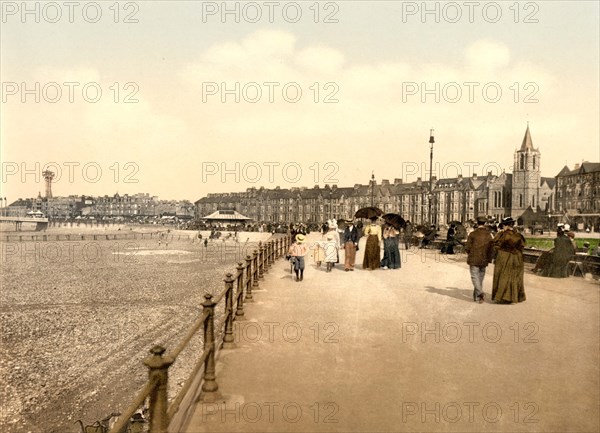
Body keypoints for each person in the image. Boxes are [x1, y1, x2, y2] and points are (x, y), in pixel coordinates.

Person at [492, 217, 526, 304]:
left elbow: (496, 245)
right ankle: (514, 297)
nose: (502, 227)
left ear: (506, 226)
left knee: (502, 276)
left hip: (504, 256)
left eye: (503, 225)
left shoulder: (501, 235)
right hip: (516, 257)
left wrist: (494, 256)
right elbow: (522, 246)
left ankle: (502, 297)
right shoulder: (518, 235)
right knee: (514, 276)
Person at [465, 217, 494, 303]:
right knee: (480, 278)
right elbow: (491, 248)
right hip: (484, 259)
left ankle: (480, 293)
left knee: (475, 277)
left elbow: (467, 247)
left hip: (474, 258)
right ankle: (477, 297)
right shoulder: (489, 235)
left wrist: (470, 253)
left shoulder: (473, 234)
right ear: (485, 224)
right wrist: (489, 258)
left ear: (477, 224)